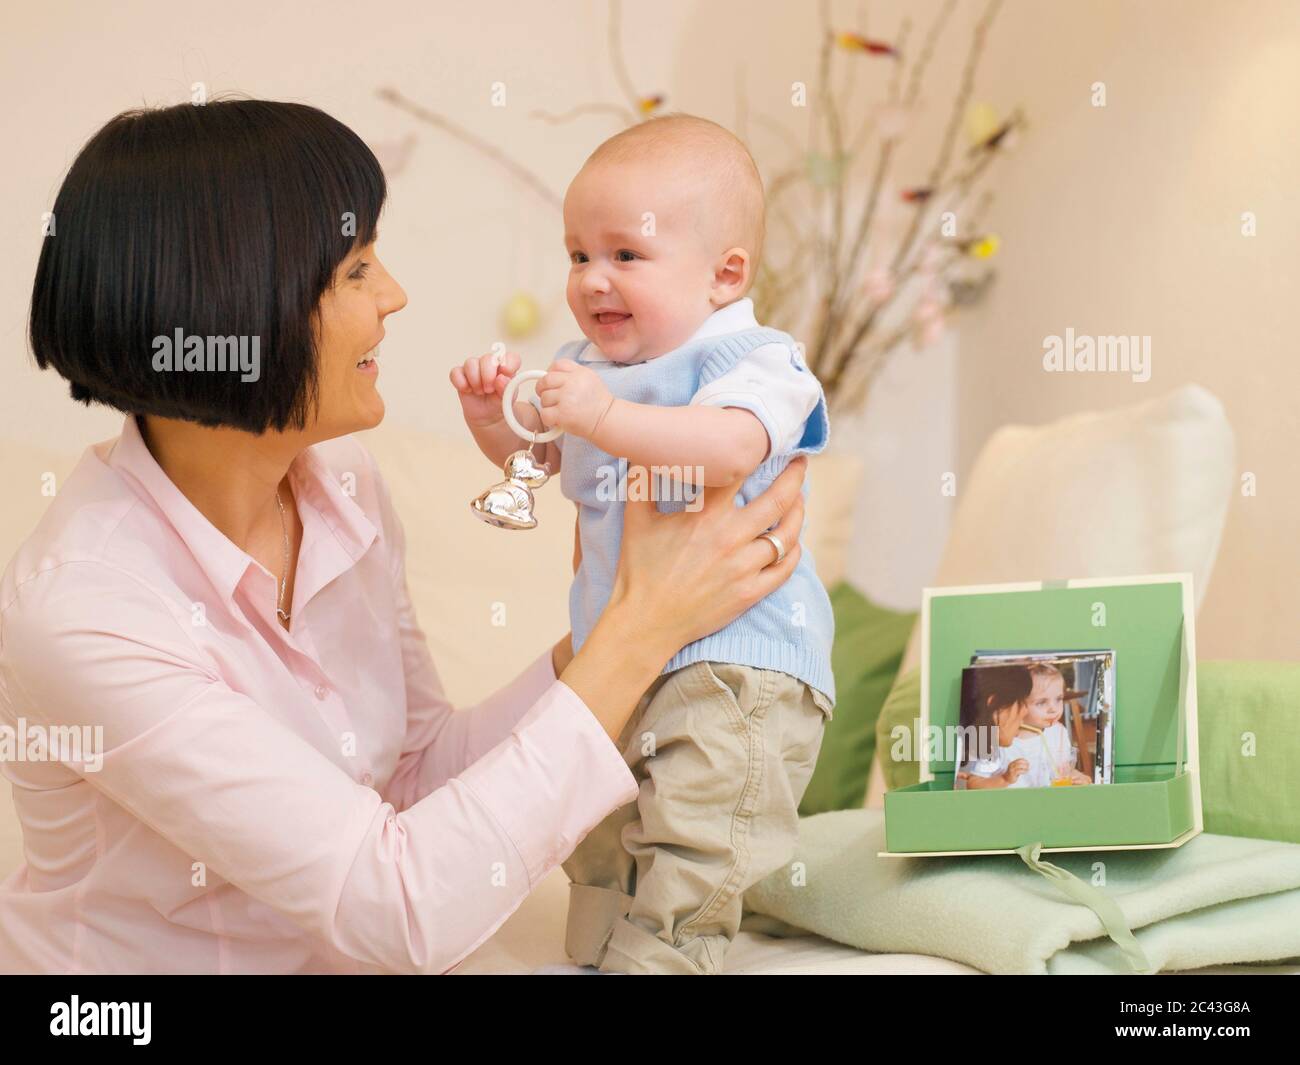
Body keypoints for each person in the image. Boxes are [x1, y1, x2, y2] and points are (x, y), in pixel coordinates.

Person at [0, 98, 810, 975]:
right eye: (355, 269)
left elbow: (415, 773)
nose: (394, 295)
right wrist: (641, 625)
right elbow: (399, 908)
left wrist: (633, 633)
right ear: (238, 303)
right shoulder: (85, 607)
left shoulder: (339, 483)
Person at [452, 115, 833, 974]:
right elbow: (539, 462)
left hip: (737, 662)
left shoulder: (755, 358)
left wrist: (605, 417)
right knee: (590, 807)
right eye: (577, 254)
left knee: (699, 814)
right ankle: (603, 917)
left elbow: (735, 446)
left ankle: (670, 948)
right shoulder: (587, 368)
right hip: (619, 655)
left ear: (724, 273)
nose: (592, 279)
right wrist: (495, 426)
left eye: (625, 255)